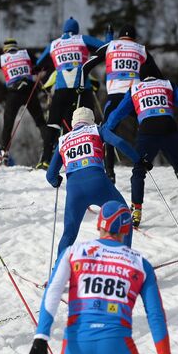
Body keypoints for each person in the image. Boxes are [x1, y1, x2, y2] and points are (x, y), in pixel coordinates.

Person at [26, 201, 176, 354]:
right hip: (116, 346)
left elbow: (53, 292)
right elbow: (155, 316)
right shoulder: (140, 264)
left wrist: (40, 339)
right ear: (125, 230)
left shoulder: (73, 252)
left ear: (99, 225)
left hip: (76, 346)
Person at [104, 74, 178, 227]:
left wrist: (106, 128)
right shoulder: (167, 84)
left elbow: (118, 112)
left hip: (148, 130)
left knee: (139, 171)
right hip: (169, 127)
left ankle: (136, 210)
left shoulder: (135, 89)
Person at [46, 107, 144, 256]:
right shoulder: (97, 130)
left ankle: (58, 270)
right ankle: (123, 260)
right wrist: (138, 160)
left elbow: (50, 175)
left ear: (73, 123)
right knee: (125, 217)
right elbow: (119, 142)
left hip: (75, 191)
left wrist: (56, 181)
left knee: (69, 234)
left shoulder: (63, 140)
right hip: (99, 184)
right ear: (91, 120)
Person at [82, 24, 164, 182]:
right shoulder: (141, 49)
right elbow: (158, 75)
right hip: (135, 98)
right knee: (151, 128)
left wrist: (80, 86)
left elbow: (87, 65)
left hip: (114, 98)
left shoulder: (110, 46)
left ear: (120, 36)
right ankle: (154, 163)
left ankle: (109, 173)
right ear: (134, 37)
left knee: (107, 132)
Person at [34, 17, 105, 169]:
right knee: (84, 123)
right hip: (82, 89)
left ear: (64, 29)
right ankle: (87, 157)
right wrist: (109, 38)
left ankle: (45, 160)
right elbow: (105, 47)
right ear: (76, 29)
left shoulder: (54, 44)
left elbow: (38, 64)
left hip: (61, 90)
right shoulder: (81, 39)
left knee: (53, 124)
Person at [0, 38, 45, 158]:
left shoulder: (3, 58)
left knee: (8, 122)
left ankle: (4, 151)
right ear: (16, 47)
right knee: (40, 121)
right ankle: (49, 144)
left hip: (14, 92)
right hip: (29, 90)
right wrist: (35, 70)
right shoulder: (25, 53)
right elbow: (40, 64)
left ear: (5, 49)